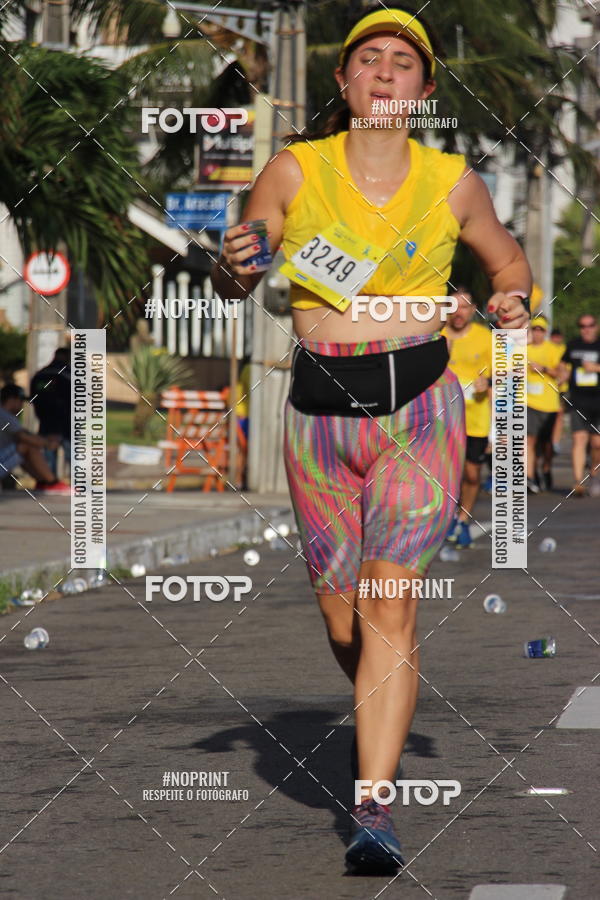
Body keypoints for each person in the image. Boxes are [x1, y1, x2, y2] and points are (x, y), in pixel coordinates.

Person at [211, 5, 530, 875]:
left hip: (419, 406)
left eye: (402, 62)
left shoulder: (452, 181)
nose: (385, 72)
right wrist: (237, 262)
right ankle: (379, 687)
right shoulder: (293, 170)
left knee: (391, 604)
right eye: (369, 60)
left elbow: (507, 263)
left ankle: (374, 807)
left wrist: (511, 298)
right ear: (345, 81)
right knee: (346, 618)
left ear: (423, 89)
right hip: (318, 415)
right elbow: (245, 263)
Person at [443, 288, 492, 548]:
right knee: (446, 473)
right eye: (452, 307)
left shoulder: (485, 338)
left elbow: (505, 374)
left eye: (463, 307)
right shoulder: (436, 336)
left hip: (475, 418)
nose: (458, 312)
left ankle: (463, 518)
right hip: (442, 419)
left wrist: (489, 381)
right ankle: (449, 518)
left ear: (473, 310)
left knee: (472, 474)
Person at [0, 384, 70, 494]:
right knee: (27, 445)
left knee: (23, 448)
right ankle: (52, 483)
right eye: (20, 401)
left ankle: (43, 482)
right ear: (12, 400)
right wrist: (48, 443)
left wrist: (44, 439)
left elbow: (26, 435)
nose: (21, 406)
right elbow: (25, 437)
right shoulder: (5, 415)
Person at [560, 314, 600, 497]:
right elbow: (563, 364)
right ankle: (578, 481)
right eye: (582, 326)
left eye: (590, 325)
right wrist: (562, 375)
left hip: (597, 400)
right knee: (579, 439)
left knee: (597, 443)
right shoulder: (573, 345)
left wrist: (596, 368)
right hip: (578, 400)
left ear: (596, 326)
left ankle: (594, 473)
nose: (586, 329)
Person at [525, 316, 562, 493]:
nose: (537, 333)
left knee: (546, 444)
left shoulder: (553, 350)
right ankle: (529, 478)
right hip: (528, 401)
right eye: (534, 329)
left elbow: (561, 374)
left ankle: (546, 469)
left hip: (548, 404)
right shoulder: (524, 349)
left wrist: (544, 369)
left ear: (545, 332)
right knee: (528, 440)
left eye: (540, 330)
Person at [30, 347, 71, 477]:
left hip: (45, 422)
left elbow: (34, 399)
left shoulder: (39, 374)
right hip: (66, 424)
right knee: (72, 455)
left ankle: (50, 482)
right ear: (67, 357)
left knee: (48, 454)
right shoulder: (69, 374)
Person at [549, 327, 567, 454]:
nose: (556, 338)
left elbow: (568, 368)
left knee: (559, 415)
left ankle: (555, 442)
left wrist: (562, 377)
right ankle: (547, 440)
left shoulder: (564, 349)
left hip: (562, 389)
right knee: (549, 416)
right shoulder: (546, 348)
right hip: (548, 388)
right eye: (554, 336)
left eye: (558, 336)